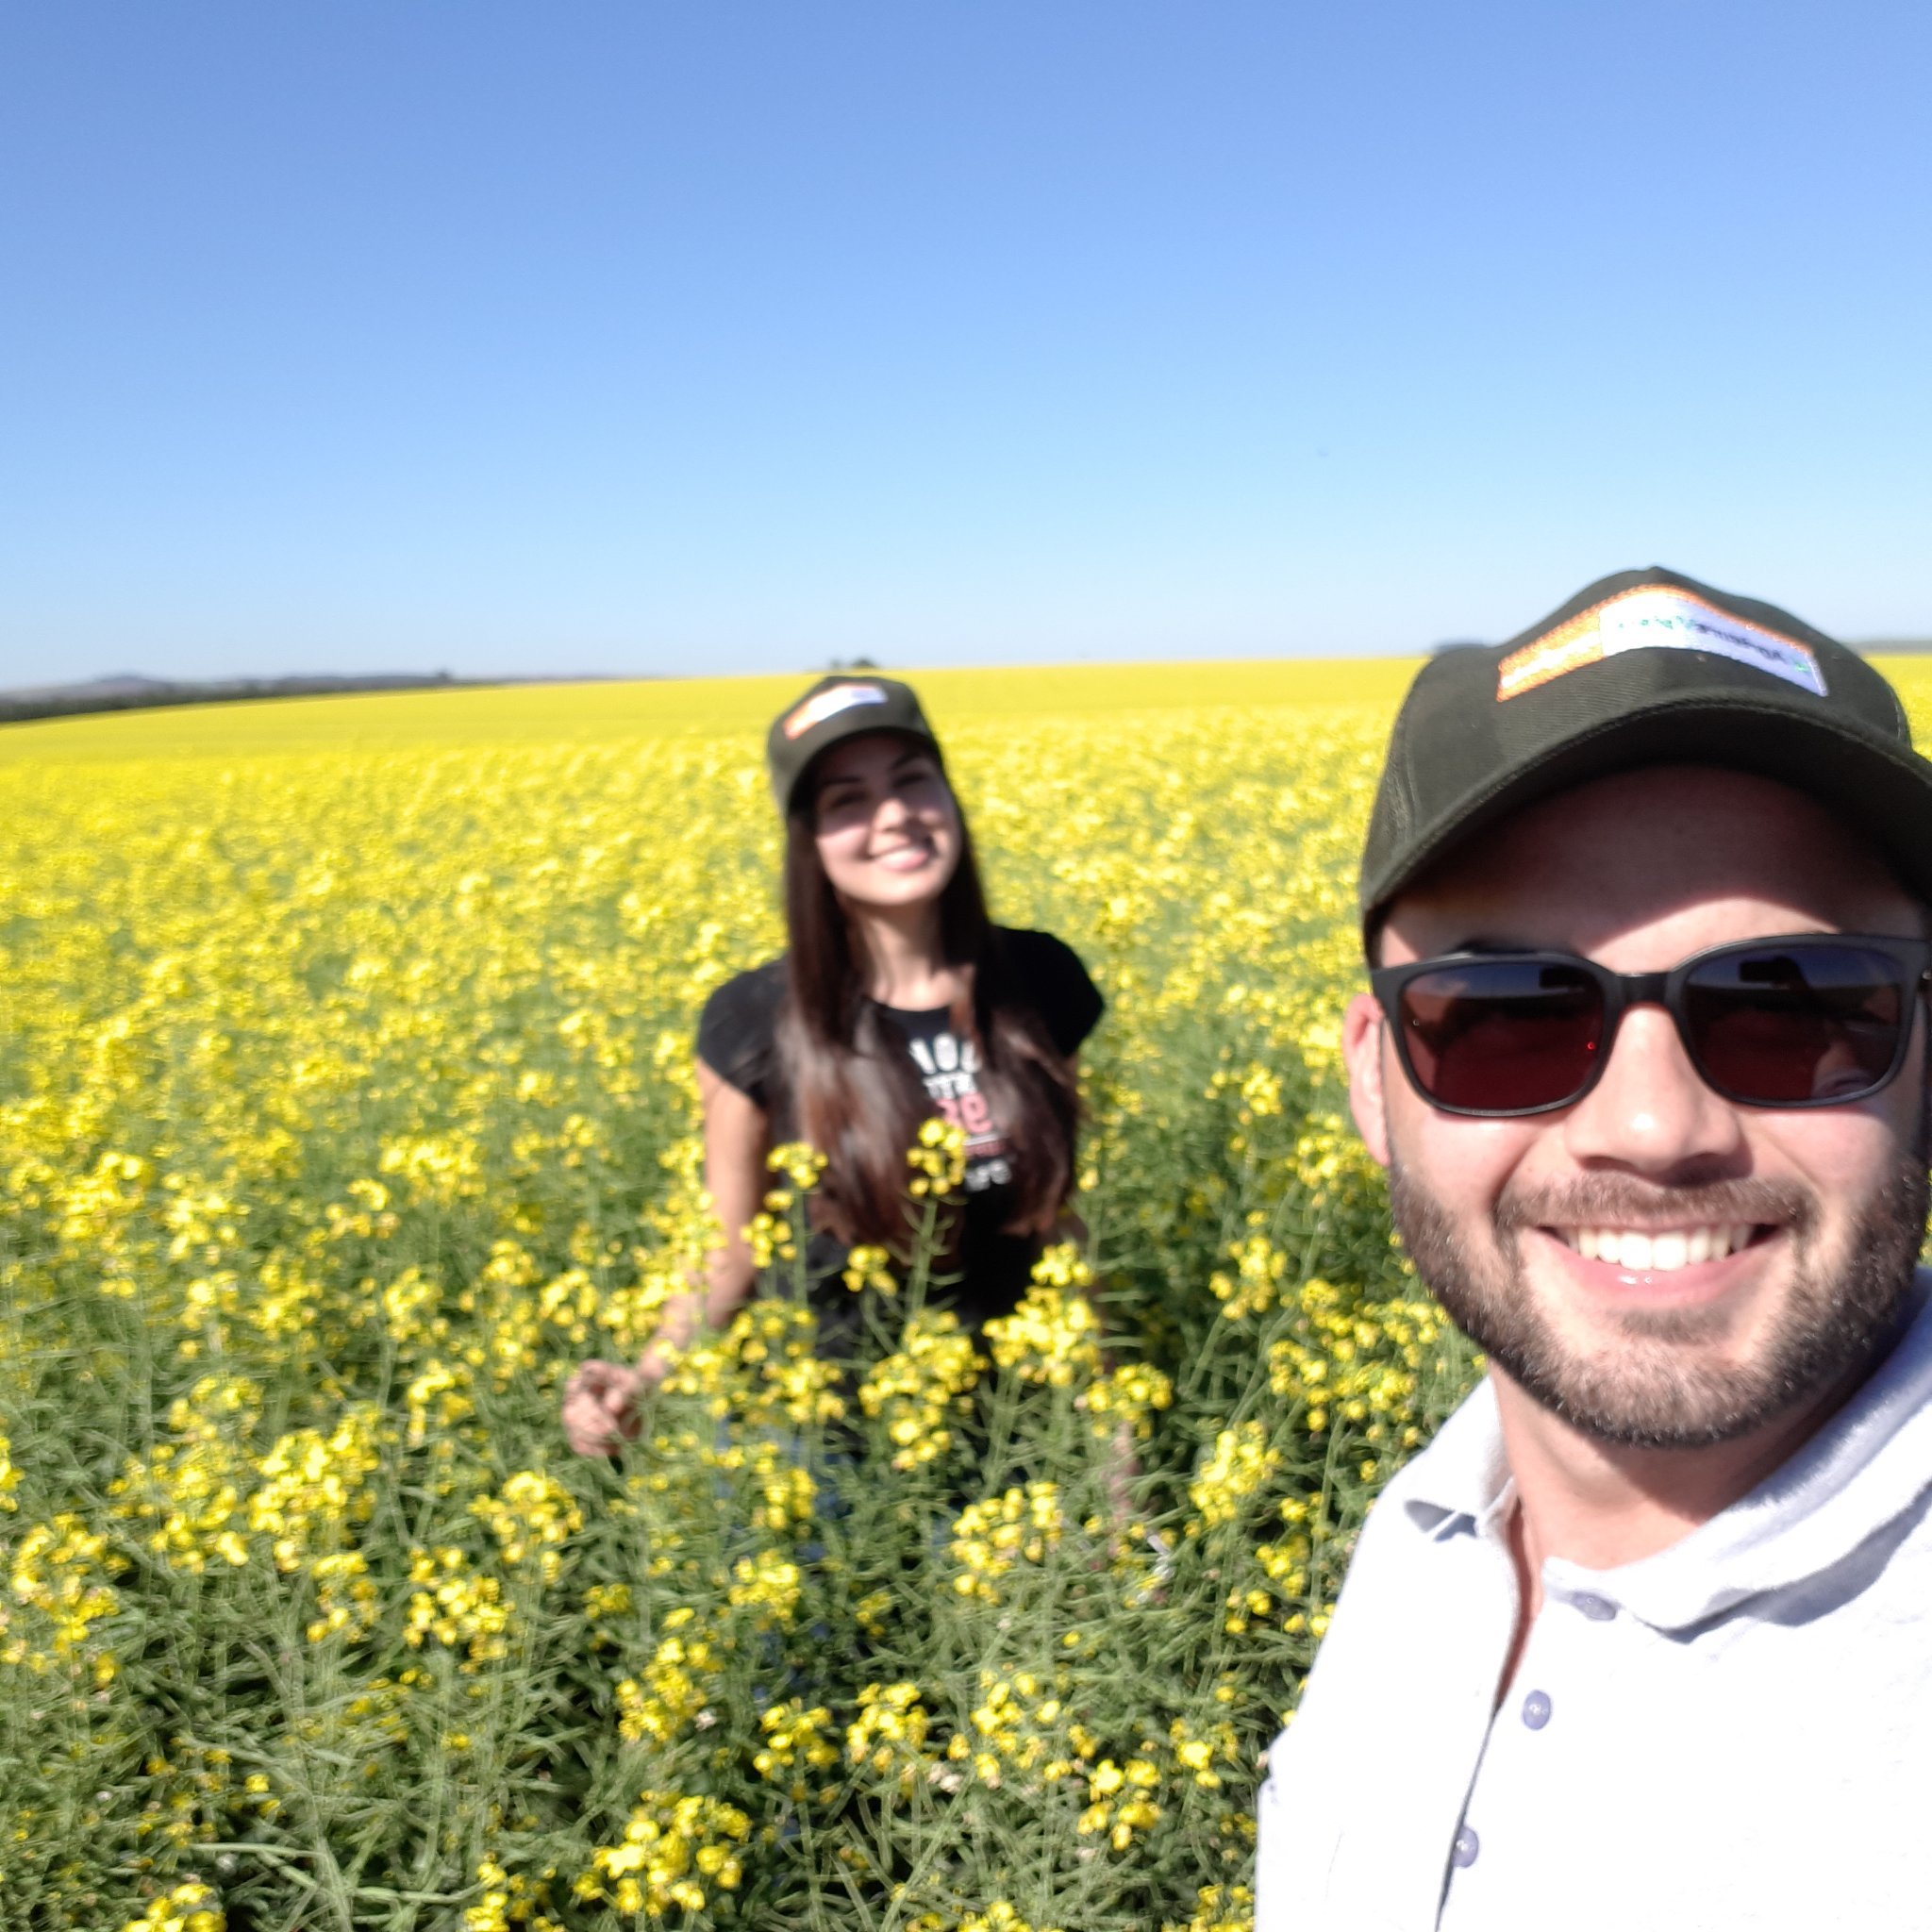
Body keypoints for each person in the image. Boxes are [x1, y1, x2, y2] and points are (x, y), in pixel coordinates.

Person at [1254, 566, 1932, 1932]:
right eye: (1503, 1012)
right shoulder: (1432, 1535)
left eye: (1794, 1004)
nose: (1650, 1126)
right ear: (1373, 1080)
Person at [562, 674, 1103, 1455]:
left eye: (913, 782)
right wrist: (646, 1376)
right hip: (821, 1449)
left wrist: (1107, 1420)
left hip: (1015, 1432)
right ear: (809, 840)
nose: (892, 818)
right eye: (847, 800)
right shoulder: (751, 1023)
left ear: (949, 797)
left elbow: (1057, 1220)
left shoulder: (1041, 982)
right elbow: (732, 1241)